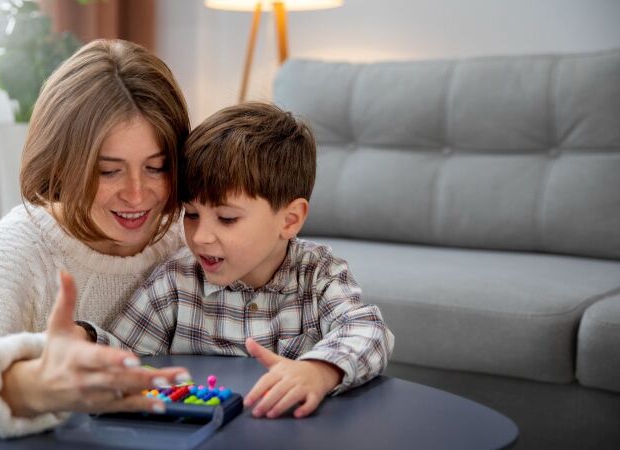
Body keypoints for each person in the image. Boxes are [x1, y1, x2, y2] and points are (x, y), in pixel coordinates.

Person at [0, 39, 193, 438]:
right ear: (62, 163)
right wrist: (36, 385)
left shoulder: (187, 235)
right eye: (109, 171)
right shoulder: (11, 250)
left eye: (157, 167)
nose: (137, 194)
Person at [79, 102, 395, 419]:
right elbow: (126, 353)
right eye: (191, 214)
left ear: (289, 220)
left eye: (227, 218)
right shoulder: (177, 279)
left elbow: (368, 331)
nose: (200, 236)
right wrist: (86, 339)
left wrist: (319, 371)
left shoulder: (319, 274)